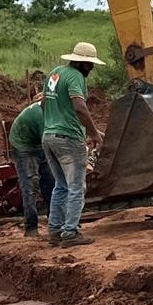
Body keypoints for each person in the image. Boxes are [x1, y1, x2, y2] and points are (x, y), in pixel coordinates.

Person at [41, 41, 104, 247]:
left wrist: (56, 121)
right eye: (90, 64)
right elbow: (79, 106)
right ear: (82, 63)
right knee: (77, 187)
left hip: (49, 136)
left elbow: (43, 103)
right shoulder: (76, 77)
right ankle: (70, 233)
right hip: (68, 139)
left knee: (61, 186)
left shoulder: (55, 73)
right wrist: (93, 132)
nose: (92, 68)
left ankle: (55, 231)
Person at [9, 97, 55, 237]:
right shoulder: (41, 116)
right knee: (30, 187)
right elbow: (49, 142)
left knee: (51, 184)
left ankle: (54, 222)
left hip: (38, 143)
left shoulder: (53, 110)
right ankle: (31, 227)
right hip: (24, 147)